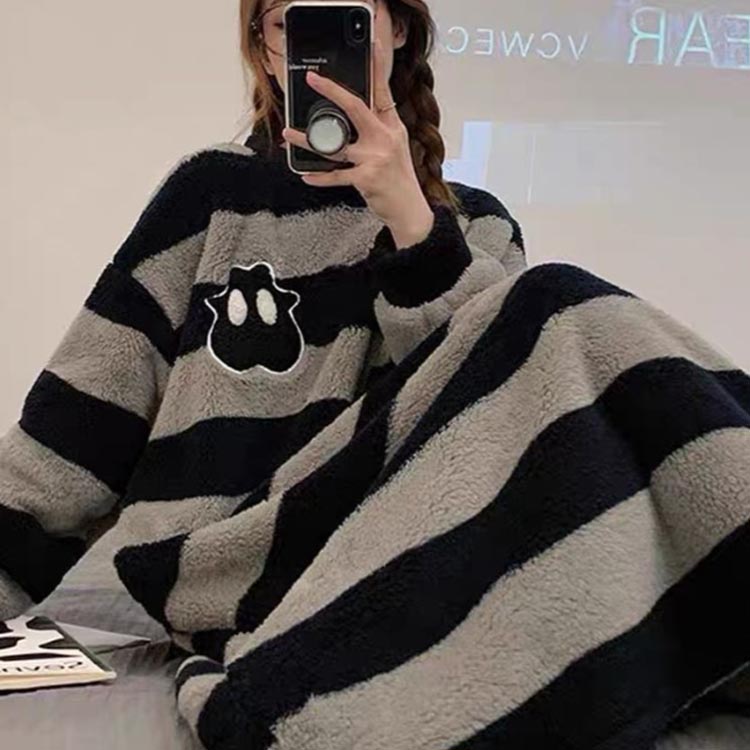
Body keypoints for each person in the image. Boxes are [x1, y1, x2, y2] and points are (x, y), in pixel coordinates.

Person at [3, 2, 750, 749]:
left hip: (391, 549)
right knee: (558, 303)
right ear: (265, 50)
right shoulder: (211, 195)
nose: (316, 43)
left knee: (564, 328)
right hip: (229, 564)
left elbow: (491, 426)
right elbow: (75, 424)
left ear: (396, 30)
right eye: (289, 22)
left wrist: (411, 224)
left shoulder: (477, 226)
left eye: (346, 15)